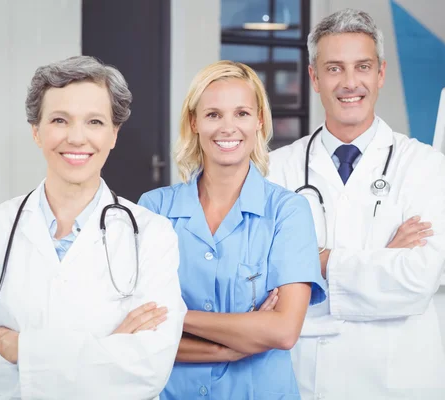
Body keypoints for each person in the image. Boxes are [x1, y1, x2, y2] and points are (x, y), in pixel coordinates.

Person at [0, 55, 187, 400]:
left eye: (94, 121)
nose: (77, 138)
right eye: (59, 120)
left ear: (114, 134)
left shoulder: (152, 236)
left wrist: (23, 350)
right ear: (36, 131)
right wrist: (108, 352)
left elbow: (147, 370)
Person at [268, 9, 445, 400]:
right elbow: (268, 285)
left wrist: (315, 262)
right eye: (334, 69)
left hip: (398, 380)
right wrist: (383, 257)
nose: (350, 83)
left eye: (362, 67)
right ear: (314, 78)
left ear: (381, 74)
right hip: (306, 379)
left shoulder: (423, 165)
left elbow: (417, 281)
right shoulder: (277, 169)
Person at [138, 60, 327, 399]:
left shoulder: (287, 211)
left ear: (259, 121)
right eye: (213, 115)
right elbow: (140, 332)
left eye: (241, 113)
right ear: (194, 122)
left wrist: (177, 316)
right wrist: (235, 343)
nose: (228, 128)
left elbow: (283, 331)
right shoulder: (155, 209)